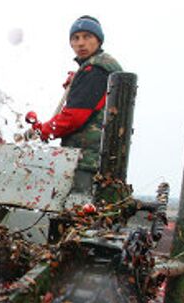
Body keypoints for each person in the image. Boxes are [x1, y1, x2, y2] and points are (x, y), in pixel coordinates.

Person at [33, 16, 122, 191]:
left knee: (76, 210)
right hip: (103, 158)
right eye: (76, 38)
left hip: (86, 160)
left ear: (98, 40)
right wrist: (77, 83)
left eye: (87, 36)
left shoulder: (94, 70)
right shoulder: (102, 67)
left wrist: (45, 130)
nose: (81, 43)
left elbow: (74, 117)